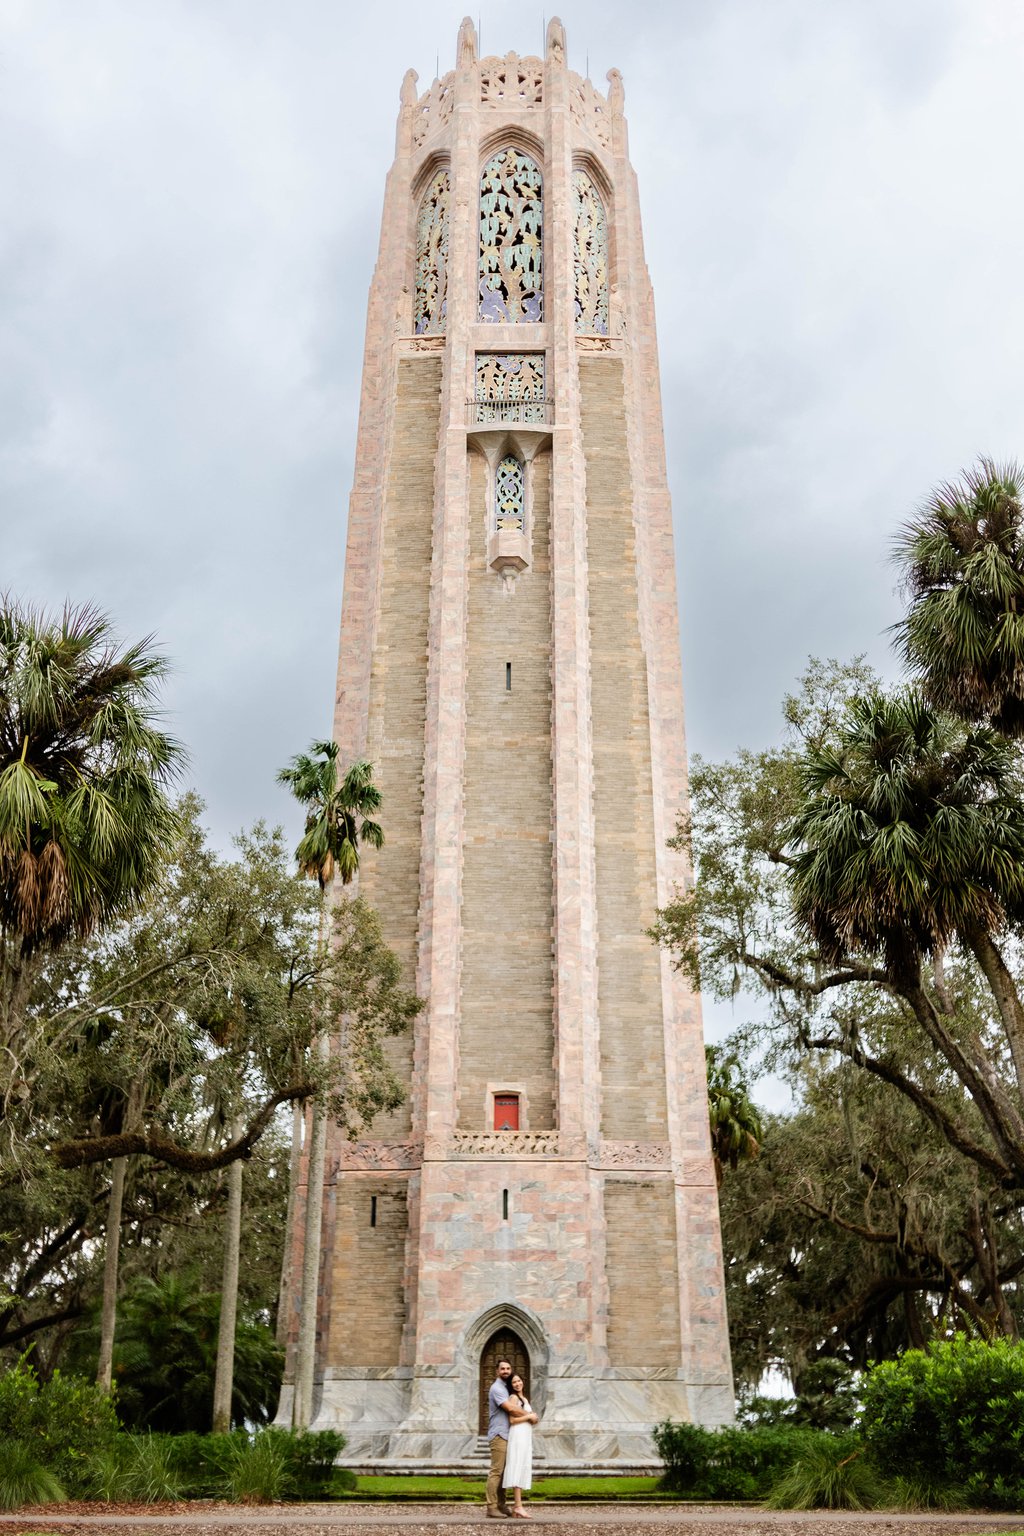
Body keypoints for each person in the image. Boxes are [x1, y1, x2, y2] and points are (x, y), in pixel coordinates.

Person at [502, 1372, 538, 1519]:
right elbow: (512, 1420)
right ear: (511, 1386)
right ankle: (518, 1506)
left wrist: (533, 1418)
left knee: (522, 1466)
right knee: (517, 1466)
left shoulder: (523, 1398)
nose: (517, 1384)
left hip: (525, 1435)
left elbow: (525, 1417)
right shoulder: (514, 1398)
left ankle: (518, 1506)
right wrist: (529, 1416)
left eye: (519, 1381)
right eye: (514, 1382)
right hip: (518, 1435)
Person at [485, 1358, 514, 1518]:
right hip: (499, 1434)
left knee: (503, 1473)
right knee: (496, 1471)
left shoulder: (506, 1388)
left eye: (508, 1368)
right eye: (503, 1369)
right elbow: (509, 1408)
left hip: (507, 1434)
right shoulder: (497, 1388)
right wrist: (529, 1415)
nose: (506, 1371)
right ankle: (491, 1506)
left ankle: (501, 1504)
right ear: (497, 1371)